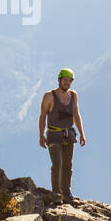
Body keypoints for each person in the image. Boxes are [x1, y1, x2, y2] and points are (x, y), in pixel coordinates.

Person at [39, 68, 87, 204]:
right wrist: (41, 135)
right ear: (59, 80)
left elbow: (76, 115)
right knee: (57, 164)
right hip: (54, 134)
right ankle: (56, 194)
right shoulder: (49, 96)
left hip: (68, 134)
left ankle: (66, 193)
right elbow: (43, 116)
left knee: (68, 165)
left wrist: (82, 134)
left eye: (69, 80)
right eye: (64, 80)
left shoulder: (73, 95)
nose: (67, 83)